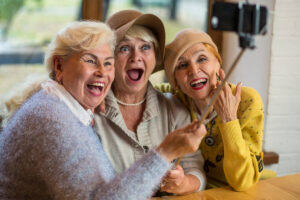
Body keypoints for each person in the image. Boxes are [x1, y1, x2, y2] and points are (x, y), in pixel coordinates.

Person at [0, 22, 207, 200]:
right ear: (59, 66)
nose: (101, 72)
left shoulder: (66, 109)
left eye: (107, 63)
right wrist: (165, 153)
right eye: (90, 60)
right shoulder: (53, 118)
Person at [93, 10, 206, 195]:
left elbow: (196, 169)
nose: (136, 57)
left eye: (145, 47)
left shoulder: (174, 110)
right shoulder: (90, 112)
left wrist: (184, 183)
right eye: (124, 48)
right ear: (109, 60)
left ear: (154, 58)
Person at [162, 29, 264, 191]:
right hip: (198, 191)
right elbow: (137, 90)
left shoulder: (247, 100)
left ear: (218, 63)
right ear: (176, 82)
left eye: (202, 59)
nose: (194, 70)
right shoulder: (178, 97)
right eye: (182, 65)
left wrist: (229, 118)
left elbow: (242, 182)